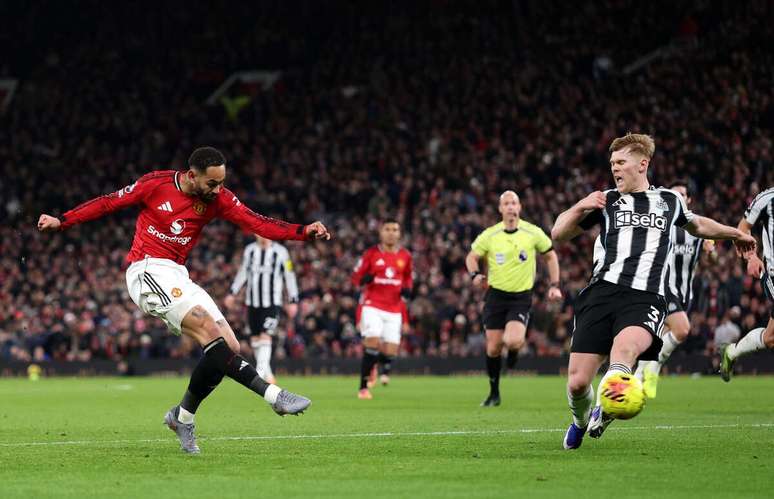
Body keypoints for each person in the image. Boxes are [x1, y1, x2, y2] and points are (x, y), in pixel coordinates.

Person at [37, 146, 331, 454]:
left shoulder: (218, 199)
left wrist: (302, 231)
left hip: (178, 274)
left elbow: (256, 222)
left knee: (229, 347)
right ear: (192, 175)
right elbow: (110, 202)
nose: (217, 190)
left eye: (221, 182)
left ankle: (182, 417)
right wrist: (63, 221)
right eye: (212, 183)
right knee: (207, 330)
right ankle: (274, 396)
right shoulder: (155, 184)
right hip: (147, 269)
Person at [551, 133, 755, 450]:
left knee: (625, 353)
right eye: (612, 163)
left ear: (642, 164)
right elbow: (558, 234)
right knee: (577, 382)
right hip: (601, 294)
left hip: (644, 296)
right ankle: (580, 420)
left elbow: (699, 225)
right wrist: (581, 205)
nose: (614, 169)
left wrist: (733, 234)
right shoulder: (606, 200)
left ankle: (611, 400)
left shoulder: (668, 201)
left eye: (621, 162)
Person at [465, 190, 562, 407]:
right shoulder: (490, 235)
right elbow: (471, 257)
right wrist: (475, 275)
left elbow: (550, 255)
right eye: (506, 203)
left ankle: (515, 352)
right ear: (500, 209)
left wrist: (554, 285)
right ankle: (494, 393)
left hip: (520, 297)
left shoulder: (532, 232)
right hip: (495, 296)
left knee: (512, 341)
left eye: (514, 203)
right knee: (493, 348)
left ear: (519, 207)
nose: (510, 207)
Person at [634, 180, 716, 397]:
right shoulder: (665, 224)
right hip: (664, 287)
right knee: (682, 329)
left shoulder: (697, 228)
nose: (679, 197)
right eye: (675, 193)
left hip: (684, 293)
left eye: (682, 194)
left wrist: (711, 251)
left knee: (659, 338)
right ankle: (653, 368)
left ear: (688, 200)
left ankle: (639, 377)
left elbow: (711, 262)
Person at [351, 219, 413, 399]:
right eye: (387, 229)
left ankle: (373, 365)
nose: (391, 232)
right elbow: (355, 277)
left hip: (394, 308)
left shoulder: (405, 256)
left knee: (391, 351)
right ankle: (363, 388)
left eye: (395, 229)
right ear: (381, 232)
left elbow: (408, 277)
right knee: (372, 341)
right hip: (373, 305)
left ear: (399, 233)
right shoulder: (371, 254)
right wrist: (364, 279)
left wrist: (408, 290)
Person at [226, 235, 299, 384]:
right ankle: (269, 374)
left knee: (266, 335)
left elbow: (289, 275)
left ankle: (258, 373)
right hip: (252, 302)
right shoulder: (250, 250)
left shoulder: (281, 252)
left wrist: (293, 299)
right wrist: (233, 292)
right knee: (255, 338)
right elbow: (243, 272)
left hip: (272, 302)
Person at [719, 187, 774, 381]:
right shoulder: (767, 199)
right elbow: (743, 228)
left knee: (770, 338)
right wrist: (751, 257)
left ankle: (732, 352)